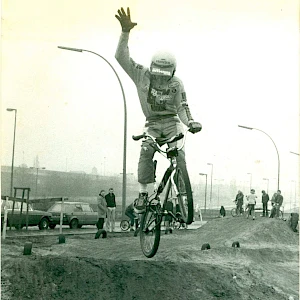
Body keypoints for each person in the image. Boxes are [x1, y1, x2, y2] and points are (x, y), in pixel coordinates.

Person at [115, 7, 202, 214]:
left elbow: (182, 107)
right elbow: (121, 57)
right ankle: (145, 194)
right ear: (152, 67)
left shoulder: (177, 84)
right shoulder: (141, 75)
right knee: (146, 152)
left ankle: (181, 192)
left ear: (173, 72)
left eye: (166, 73)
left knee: (179, 154)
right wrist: (125, 33)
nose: (161, 78)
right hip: (152, 123)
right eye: (158, 72)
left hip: (172, 122)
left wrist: (191, 123)